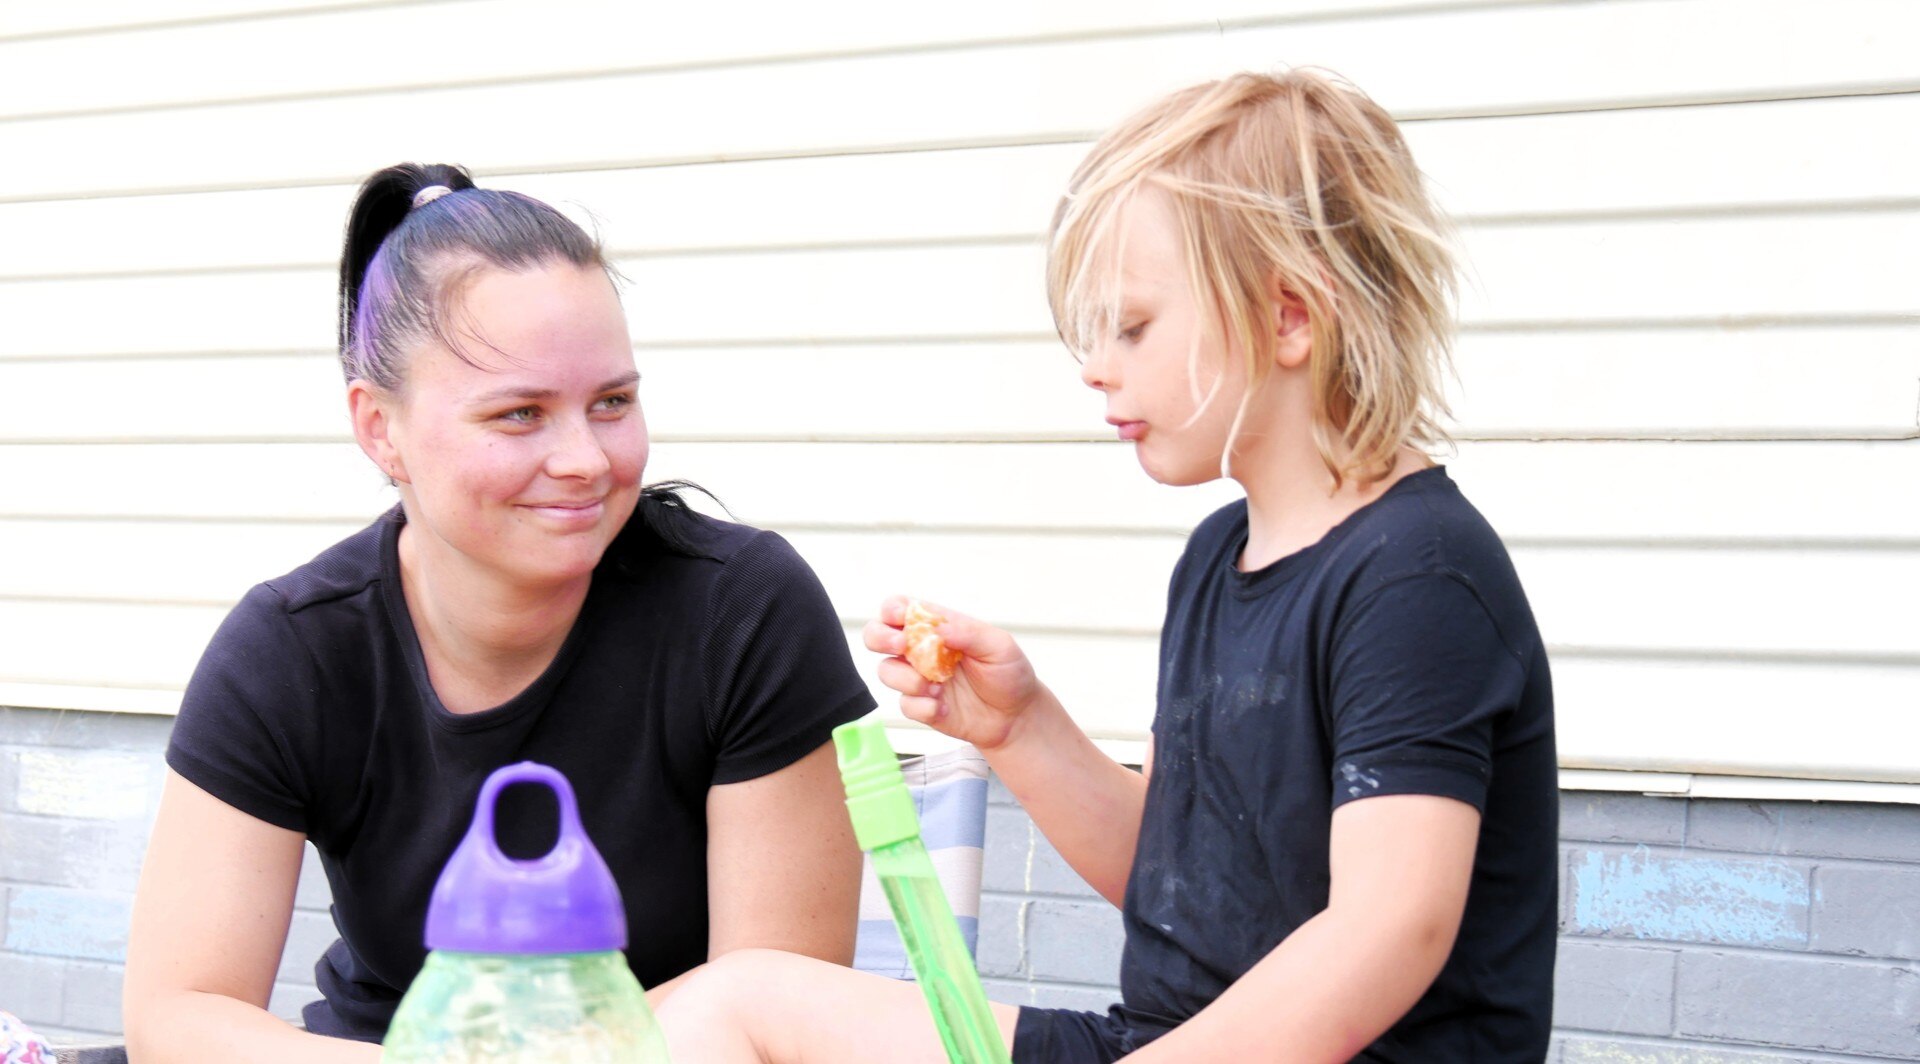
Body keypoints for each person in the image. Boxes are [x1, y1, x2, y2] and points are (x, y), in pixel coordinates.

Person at [654, 68, 1558, 1062]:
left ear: (1290, 316)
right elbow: (1182, 881)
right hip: (1160, 1038)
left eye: (1132, 325)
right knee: (727, 1005)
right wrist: (1021, 726)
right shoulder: (1221, 555)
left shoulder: (1417, 576)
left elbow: (1387, 933)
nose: (1095, 362)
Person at [122, 164, 873, 1062]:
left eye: (613, 403)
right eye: (520, 414)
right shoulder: (294, 651)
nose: (586, 460)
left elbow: (777, 1012)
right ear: (378, 428)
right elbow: (177, 1014)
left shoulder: (741, 614)